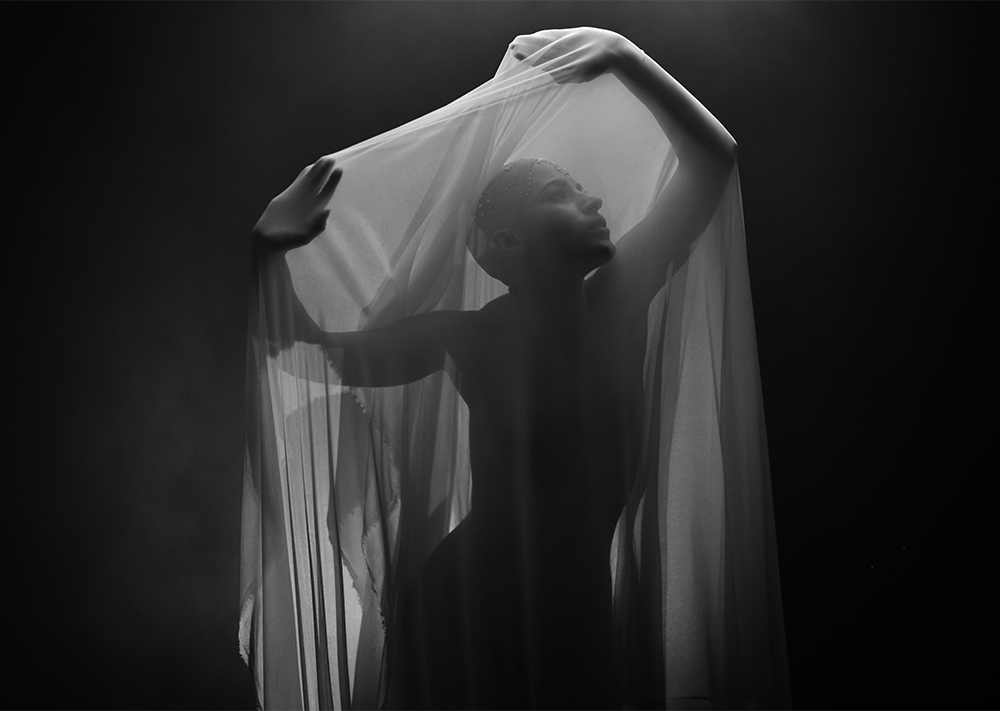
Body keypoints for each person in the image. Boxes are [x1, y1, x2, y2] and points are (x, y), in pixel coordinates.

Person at [252, 28, 736, 709]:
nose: (594, 202)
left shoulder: (619, 297)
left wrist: (620, 52)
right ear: (509, 240)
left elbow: (713, 159)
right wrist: (268, 254)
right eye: (562, 193)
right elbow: (312, 354)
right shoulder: (469, 338)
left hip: (573, 616)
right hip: (470, 612)